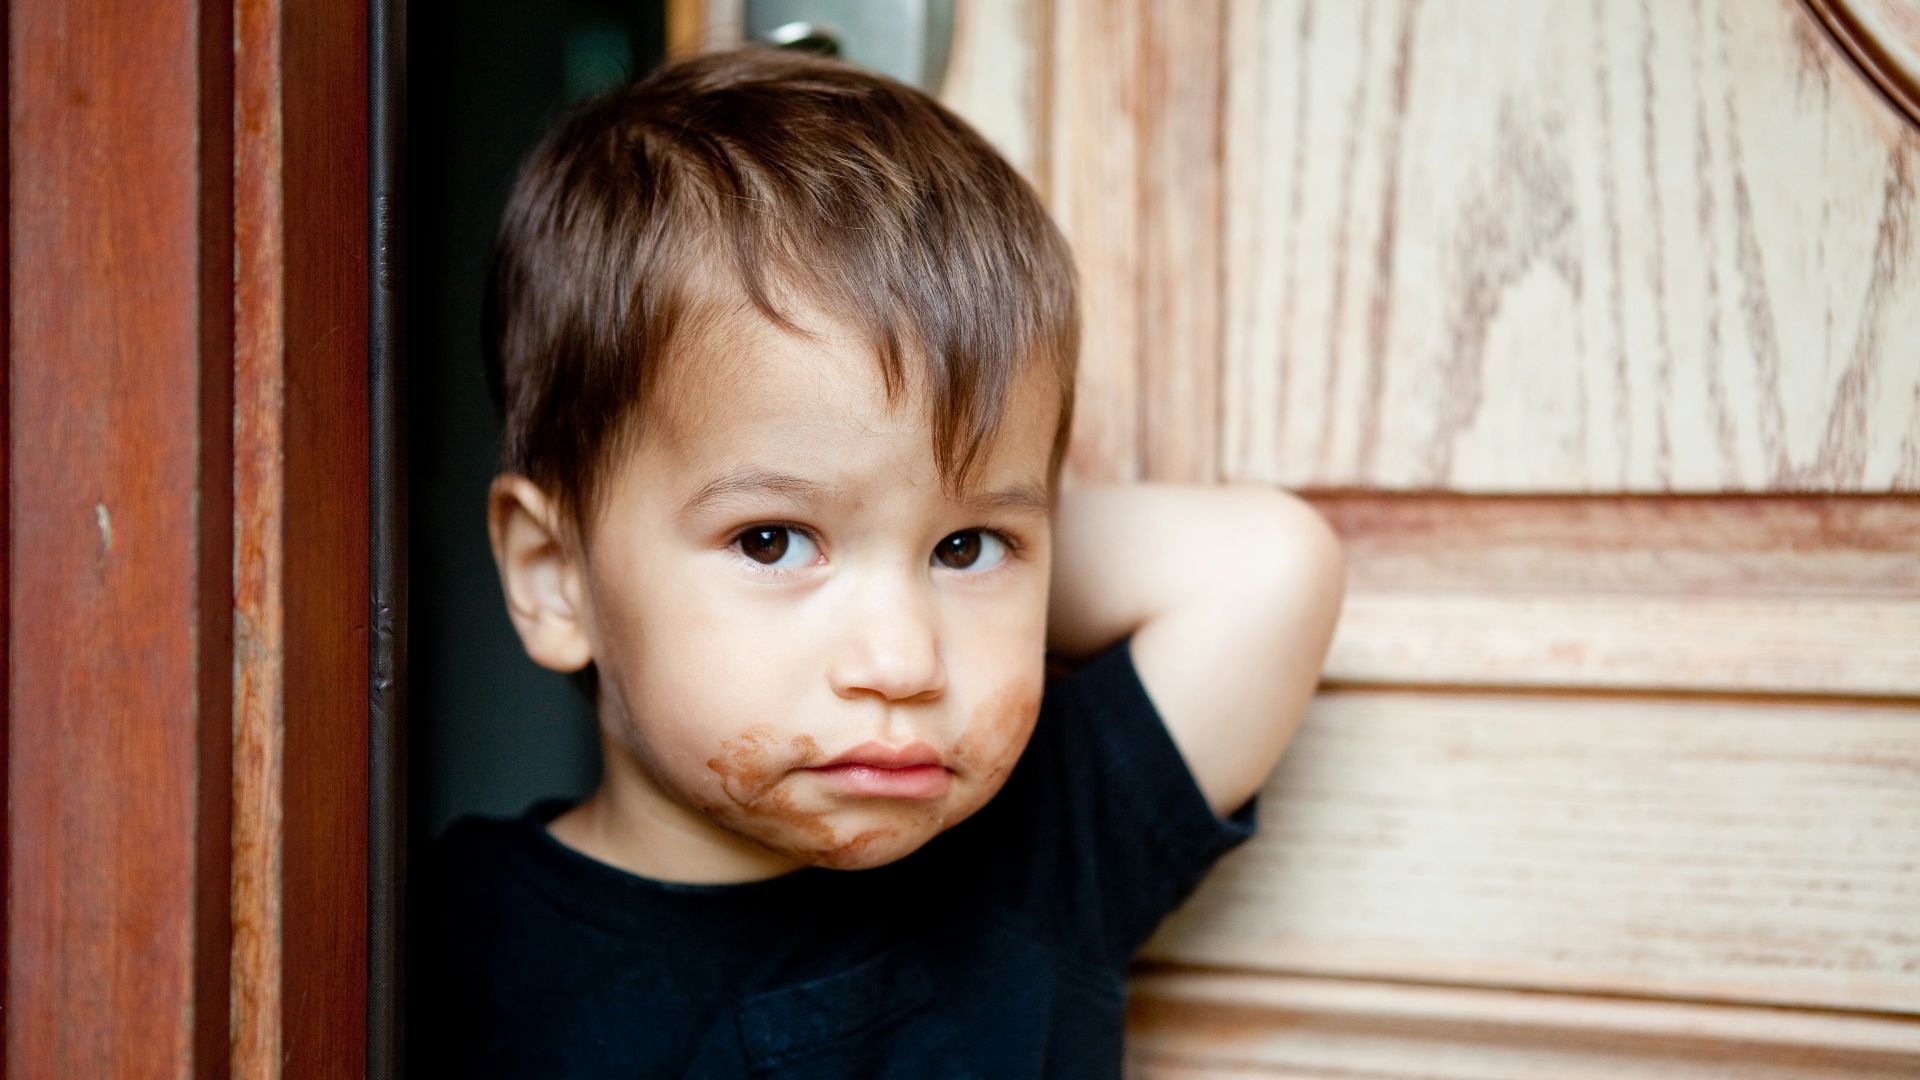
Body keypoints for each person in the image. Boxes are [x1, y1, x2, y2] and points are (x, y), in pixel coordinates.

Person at [409, 44, 1346, 1078]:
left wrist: (979, 531)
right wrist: (954, 531)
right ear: (553, 575)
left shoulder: (1039, 857)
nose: (903, 664)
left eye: (966, 547)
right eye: (773, 541)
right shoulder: (432, 941)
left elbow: (1271, 567)